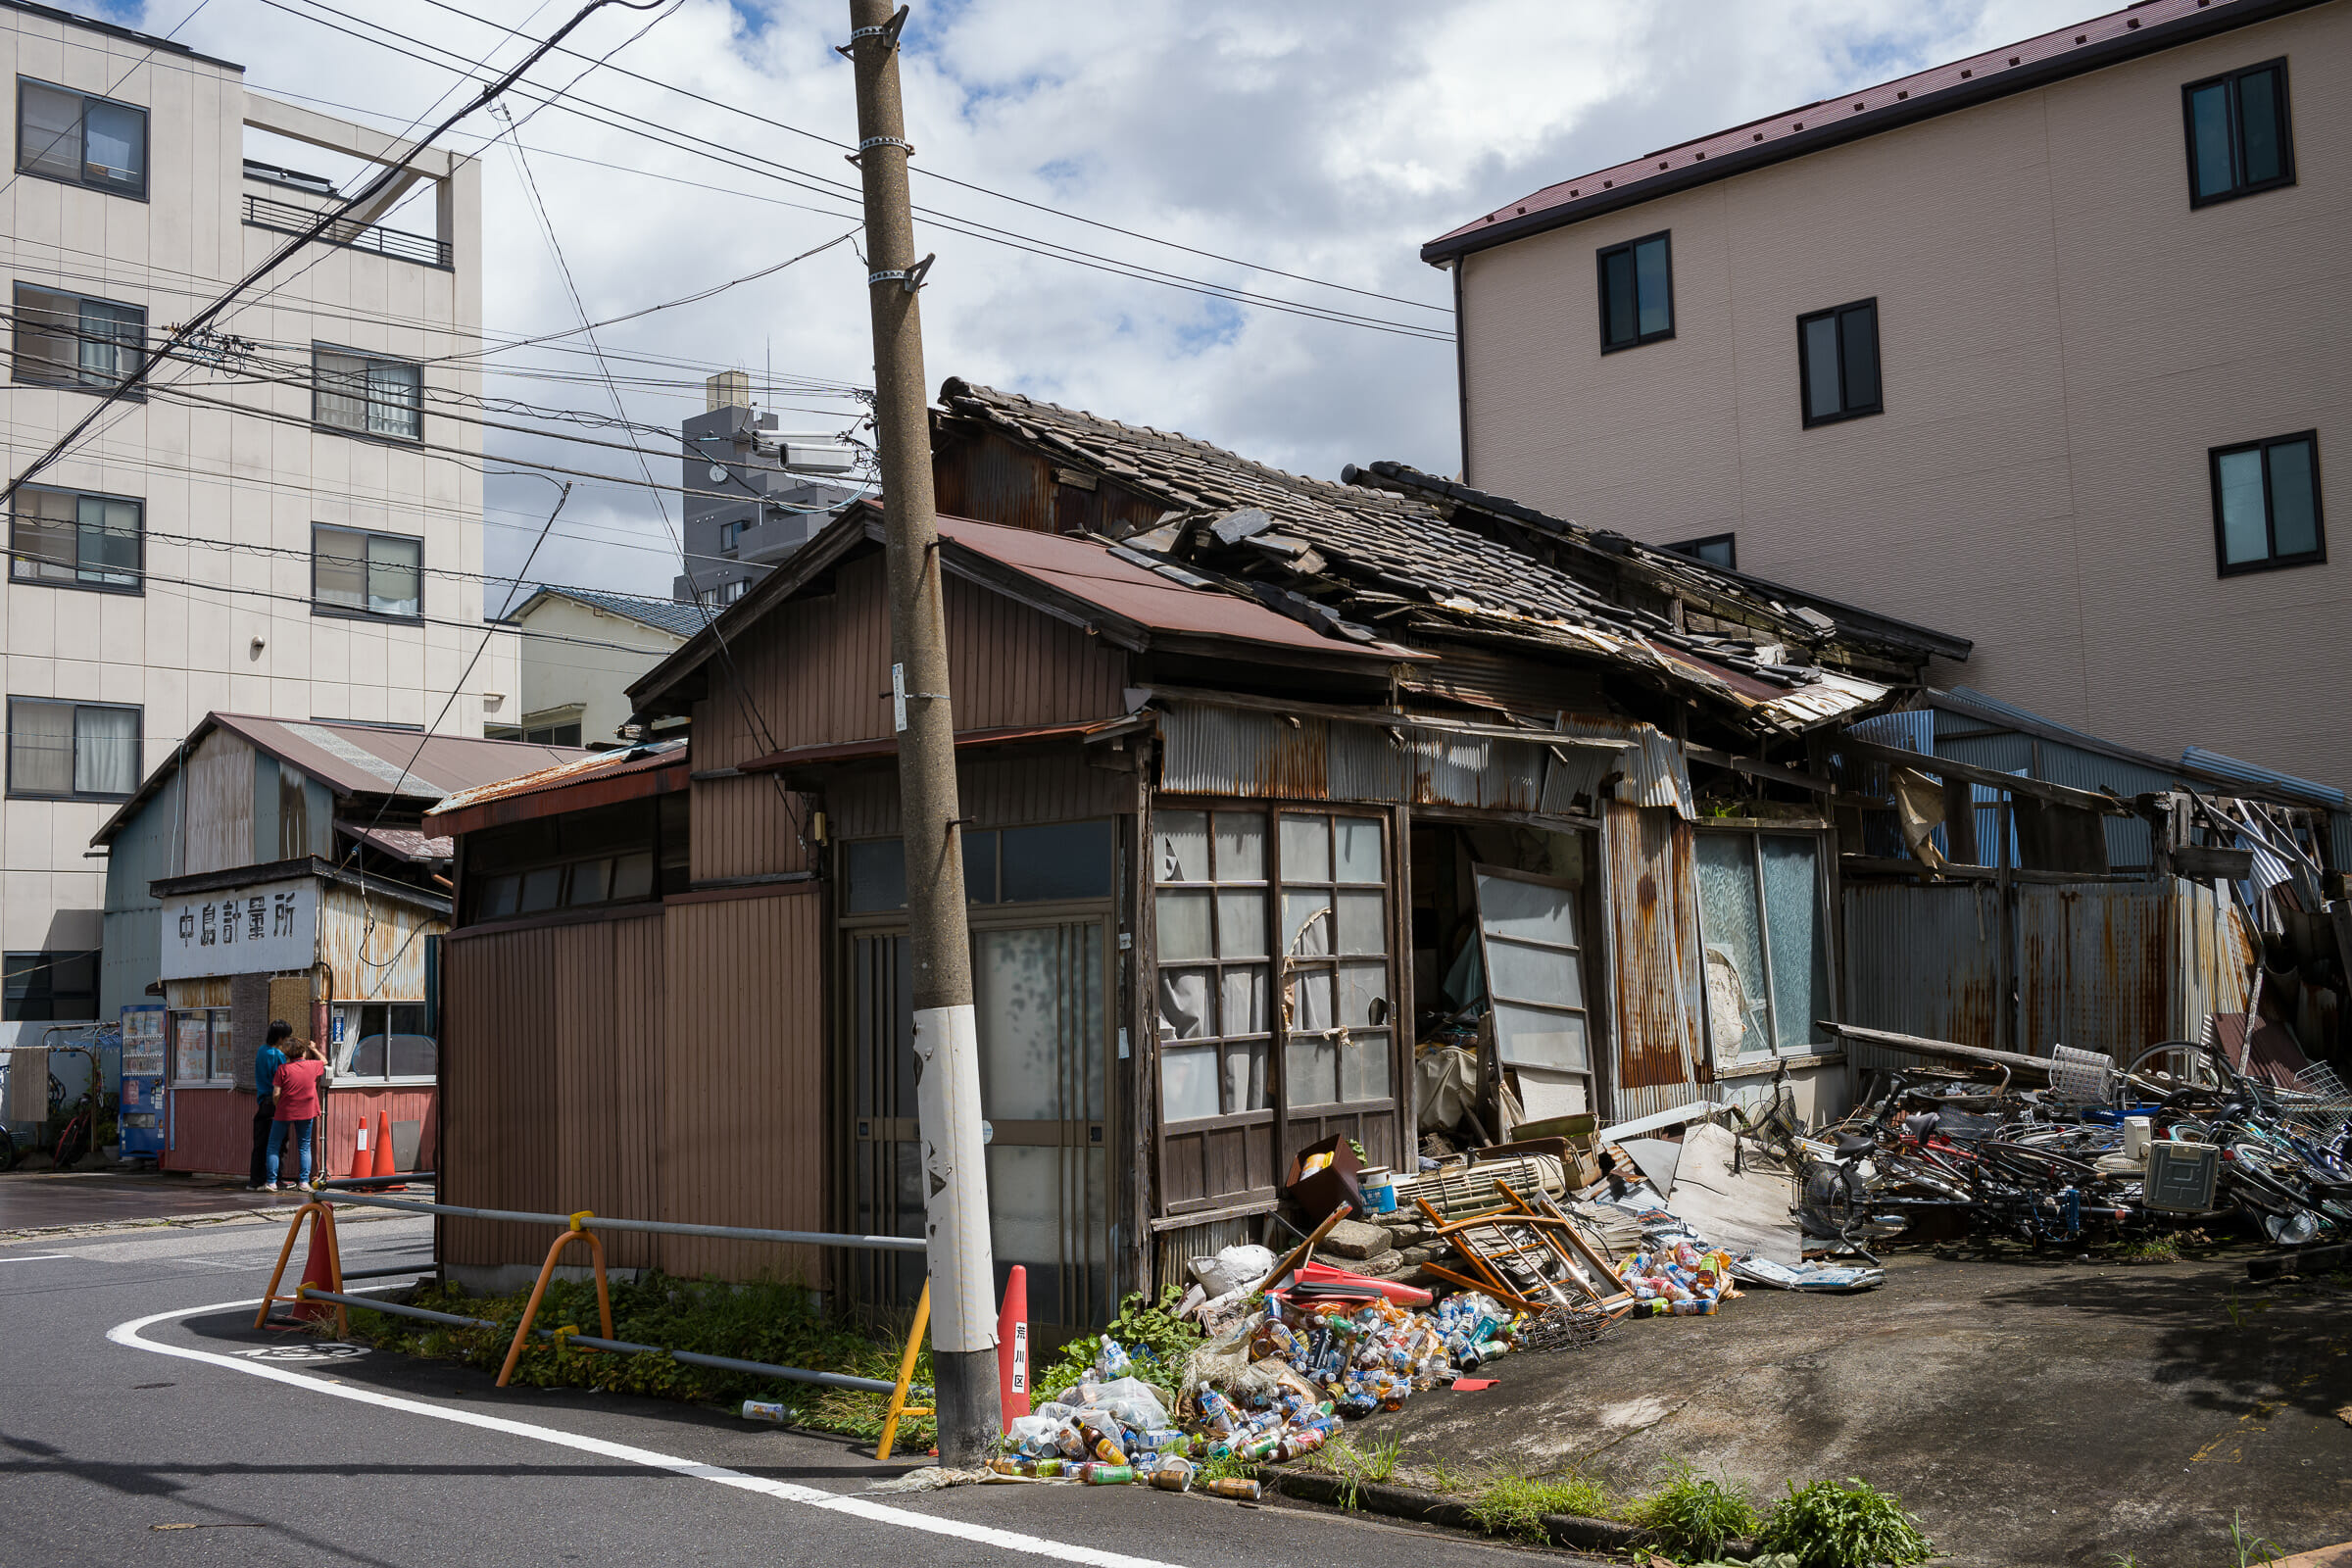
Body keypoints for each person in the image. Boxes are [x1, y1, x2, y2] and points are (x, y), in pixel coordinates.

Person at [264, 1041, 331, 1191]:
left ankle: (272, 1182)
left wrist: (278, 1105)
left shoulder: (283, 1069)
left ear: (287, 1054)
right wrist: (314, 1049)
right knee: (304, 1146)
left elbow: (276, 1093)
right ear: (303, 1052)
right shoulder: (312, 1066)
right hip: (307, 1110)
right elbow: (325, 1061)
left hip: (285, 1110)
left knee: (274, 1145)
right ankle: (303, 1182)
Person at [248, 1021, 292, 1192]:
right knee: (278, 1144)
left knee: (260, 1143)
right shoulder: (277, 1055)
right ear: (281, 1037)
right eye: (286, 1037)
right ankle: (275, 1179)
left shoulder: (261, 1051)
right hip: (275, 1102)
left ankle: (255, 1180)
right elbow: (282, 1081)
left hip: (262, 1101)